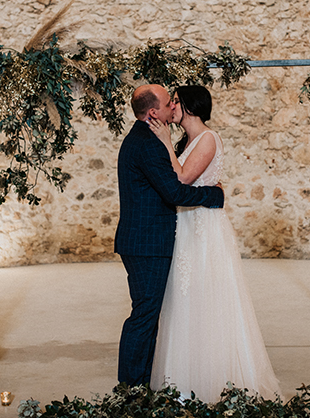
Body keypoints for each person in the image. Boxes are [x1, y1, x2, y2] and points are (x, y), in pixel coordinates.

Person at [148, 85, 282, 403]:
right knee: (185, 298)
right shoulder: (191, 140)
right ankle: (183, 376)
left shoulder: (208, 138)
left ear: (191, 107)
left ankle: (213, 378)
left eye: (177, 101)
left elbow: (181, 178)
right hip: (188, 224)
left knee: (206, 297)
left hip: (204, 227)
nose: (173, 107)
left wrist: (165, 142)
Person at [115, 84, 225, 388]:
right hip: (147, 244)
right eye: (168, 103)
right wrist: (215, 196)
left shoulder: (146, 139)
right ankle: (131, 387)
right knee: (145, 316)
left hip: (145, 241)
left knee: (148, 315)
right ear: (154, 112)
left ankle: (142, 381)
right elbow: (174, 190)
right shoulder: (148, 143)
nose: (172, 107)